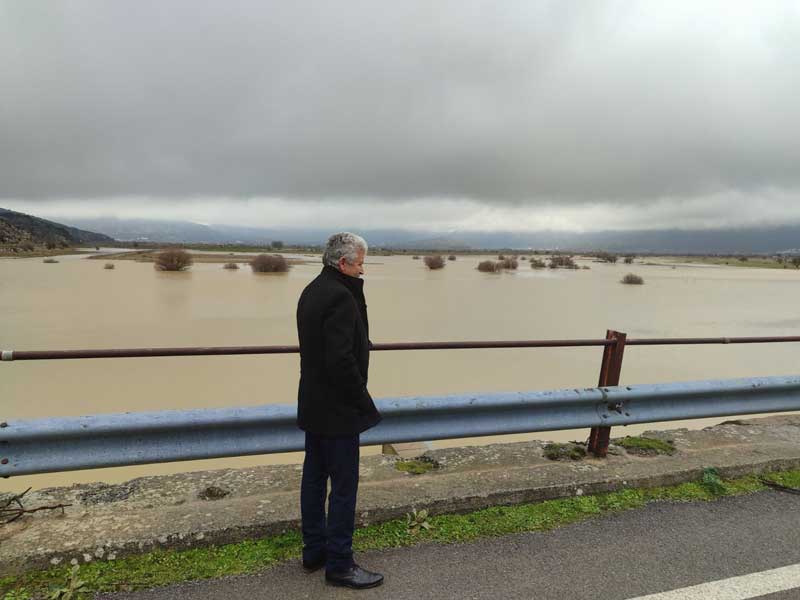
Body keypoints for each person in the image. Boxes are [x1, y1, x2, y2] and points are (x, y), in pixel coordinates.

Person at [296, 232, 384, 589]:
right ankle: (340, 566)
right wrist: (363, 401)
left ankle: (314, 551)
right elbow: (340, 360)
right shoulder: (341, 297)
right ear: (344, 263)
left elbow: (329, 345)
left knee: (314, 480)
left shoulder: (312, 290)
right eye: (360, 262)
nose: (363, 269)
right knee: (344, 488)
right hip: (338, 409)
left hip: (313, 404)